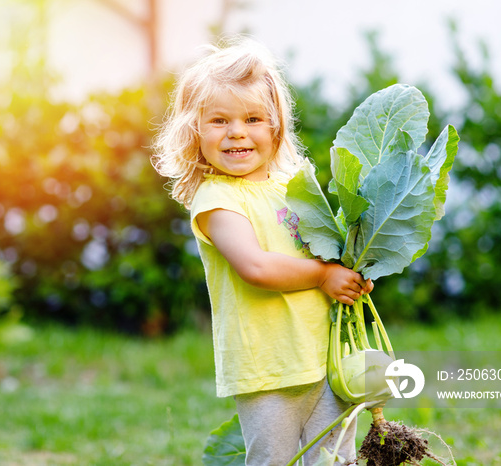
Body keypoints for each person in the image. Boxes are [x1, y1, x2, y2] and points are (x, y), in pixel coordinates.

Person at [152, 37, 373, 466]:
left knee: (338, 460)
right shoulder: (216, 199)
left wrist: (349, 271)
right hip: (267, 367)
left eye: (252, 118)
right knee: (272, 459)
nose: (237, 132)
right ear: (194, 132)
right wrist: (324, 276)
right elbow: (255, 266)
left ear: (276, 127)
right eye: (218, 120)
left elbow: (323, 254)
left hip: (325, 358)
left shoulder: (294, 185)